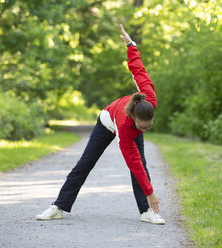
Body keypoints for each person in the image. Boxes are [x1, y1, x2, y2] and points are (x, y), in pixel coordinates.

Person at [36, 24, 165, 224]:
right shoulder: (125, 126)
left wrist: (131, 45)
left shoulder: (148, 98)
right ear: (133, 118)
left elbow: (138, 69)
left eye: (149, 126)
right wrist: (150, 191)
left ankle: (146, 211)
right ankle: (58, 206)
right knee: (86, 163)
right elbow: (132, 161)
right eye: (142, 127)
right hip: (107, 121)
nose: (146, 130)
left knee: (143, 165)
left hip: (127, 123)